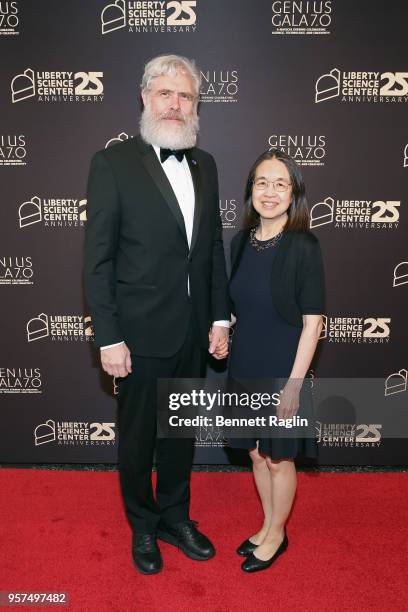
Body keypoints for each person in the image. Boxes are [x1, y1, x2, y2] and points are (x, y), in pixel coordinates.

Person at [83, 54, 230, 575]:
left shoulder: (206, 163)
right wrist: (108, 338)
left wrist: (220, 318)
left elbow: (211, 248)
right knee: (139, 438)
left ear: (195, 106)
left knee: (179, 434)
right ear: (145, 97)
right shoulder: (113, 163)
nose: (175, 104)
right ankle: (142, 526)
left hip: (193, 330)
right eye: (166, 93)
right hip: (138, 334)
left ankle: (174, 517)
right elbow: (97, 261)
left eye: (186, 96)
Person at [228, 149, 325, 573]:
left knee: (279, 457)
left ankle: (278, 534)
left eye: (280, 183)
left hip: (283, 368)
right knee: (255, 454)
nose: (270, 192)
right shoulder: (239, 242)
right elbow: (239, 306)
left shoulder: (304, 245)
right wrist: (220, 331)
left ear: (294, 193)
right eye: (262, 182)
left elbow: (313, 323)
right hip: (246, 362)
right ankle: (267, 526)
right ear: (251, 190)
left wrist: (293, 384)